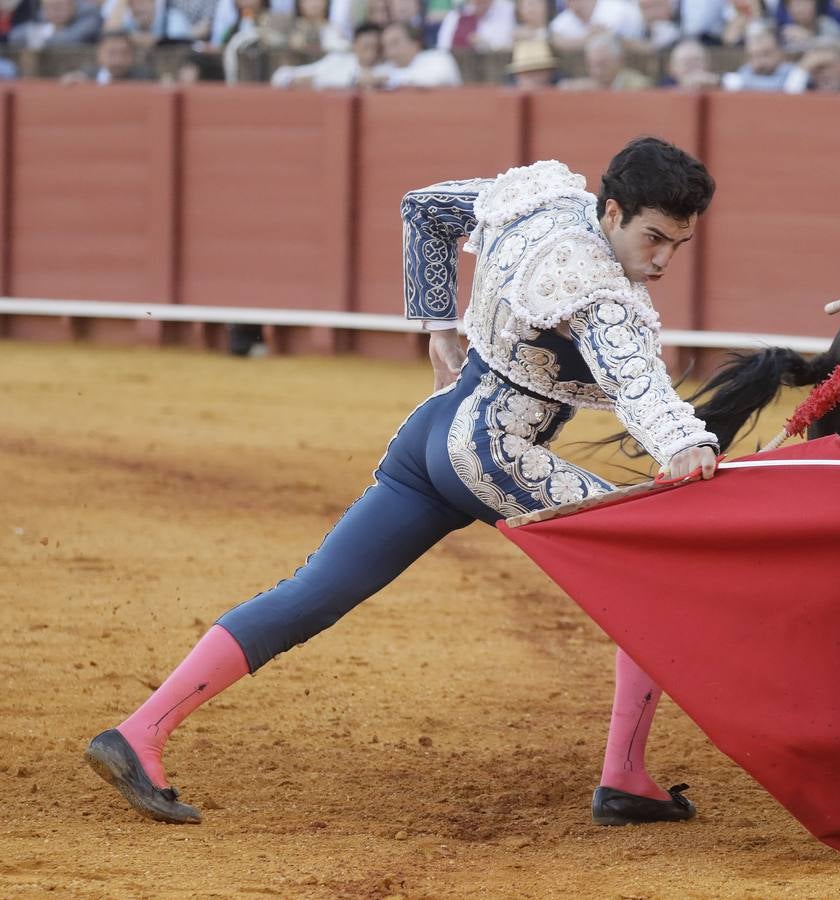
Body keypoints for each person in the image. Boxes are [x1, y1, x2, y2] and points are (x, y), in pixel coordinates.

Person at [85, 137, 721, 830]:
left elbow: (426, 210)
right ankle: (624, 778)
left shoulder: (545, 204)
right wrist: (685, 445)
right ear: (613, 211)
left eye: (677, 246)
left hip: (433, 436)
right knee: (653, 572)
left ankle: (139, 733)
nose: (660, 260)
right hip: (494, 453)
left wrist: (434, 326)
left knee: (312, 593)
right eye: (653, 238)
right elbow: (637, 383)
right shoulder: (594, 284)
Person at [270, 19, 387, 87]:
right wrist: (293, 80)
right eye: (366, 46)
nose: (371, 52)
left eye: (375, 46)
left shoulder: (386, 68)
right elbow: (280, 76)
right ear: (355, 45)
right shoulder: (336, 61)